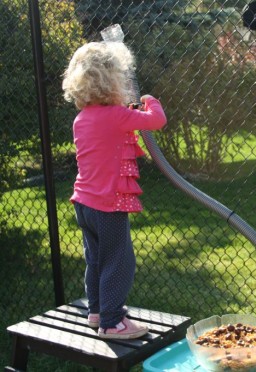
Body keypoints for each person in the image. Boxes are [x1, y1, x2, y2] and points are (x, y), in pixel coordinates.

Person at [62, 41, 167, 339]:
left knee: (95, 259)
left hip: (83, 203)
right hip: (109, 206)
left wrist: (136, 106)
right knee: (119, 261)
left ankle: (96, 312)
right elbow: (156, 120)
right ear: (113, 80)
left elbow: (124, 113)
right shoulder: (118, 116)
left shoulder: (82, 119)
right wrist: (150, 100)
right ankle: (111, 323)